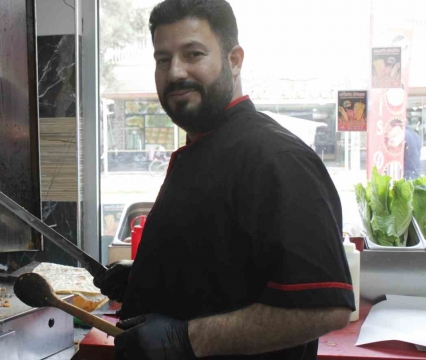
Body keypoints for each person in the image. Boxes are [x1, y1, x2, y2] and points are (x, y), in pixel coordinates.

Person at [93, 1, 355, 359]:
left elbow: (323, 308)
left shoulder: (277, 159)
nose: (175, 72)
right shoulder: (203, 147)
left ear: (234, 60)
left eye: (193, 54)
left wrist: (185, 340)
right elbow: (222, 265)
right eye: (162, 59)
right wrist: (148, 277)